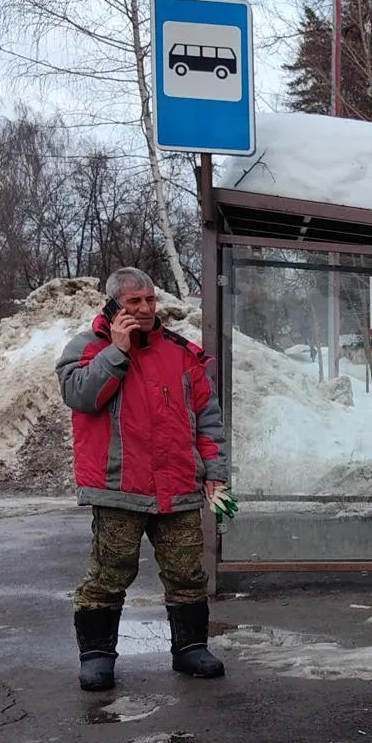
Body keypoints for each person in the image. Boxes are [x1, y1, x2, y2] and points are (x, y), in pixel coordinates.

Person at [56, 267, 229, 692]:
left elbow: (208, 420)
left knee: (187, 571)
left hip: (179, 488)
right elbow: (80, 397)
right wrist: (116, 351)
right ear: (114, 306)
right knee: (109, 574)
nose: (146, 309)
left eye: (150, 300)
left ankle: (191, 649)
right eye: (135, 303)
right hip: (119, 488)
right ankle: (97, 656)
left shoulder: (182, 353)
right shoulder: (86, 348)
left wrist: (216, 475)